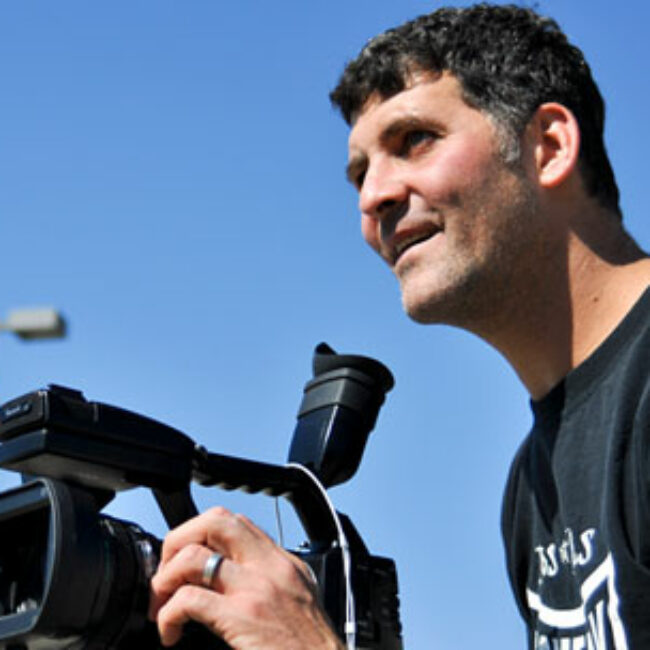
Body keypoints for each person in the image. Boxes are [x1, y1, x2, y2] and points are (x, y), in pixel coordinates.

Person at [149, 4, 650, 648]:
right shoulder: (532, 483)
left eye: (414, 140)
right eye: (360, 173)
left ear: (548, 146)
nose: (372, 197)